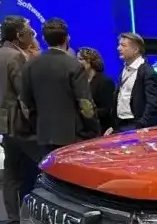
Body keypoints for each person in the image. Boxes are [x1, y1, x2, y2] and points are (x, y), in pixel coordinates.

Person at [19, 18, 99, 160]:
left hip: (43, 134)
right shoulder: (73, 65)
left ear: (44, 39)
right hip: (72, 135)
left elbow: (25, 103)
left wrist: (36, 125)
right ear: (67, 38)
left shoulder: (29, 66)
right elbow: (85, 103)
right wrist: (92, 129)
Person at [0, 15, 40, 224]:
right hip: (21, 125)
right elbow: (23, 94)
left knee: (11, 176)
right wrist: (34, 120)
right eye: (28, 30)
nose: (31, 34)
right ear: (18, 35)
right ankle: (37, 220)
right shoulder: (16, 56)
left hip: (5, 125)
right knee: (42, 167)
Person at [112, 32, 157, 133]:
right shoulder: (124, 69)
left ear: (135, 50)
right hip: (121, 124)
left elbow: (153, 104)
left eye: (123, 45)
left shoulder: (147, 72)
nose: (118, 48)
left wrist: (141, 125)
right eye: (119, 45)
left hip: (137, 126)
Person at [77, 47, 116, 134]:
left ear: (90, 61)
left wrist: (85, 113)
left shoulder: (105, 82)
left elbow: (108, 109)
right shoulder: (80, 82)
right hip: (84, 129)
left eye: (80, 59)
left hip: (101, 130)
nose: (77, 62)